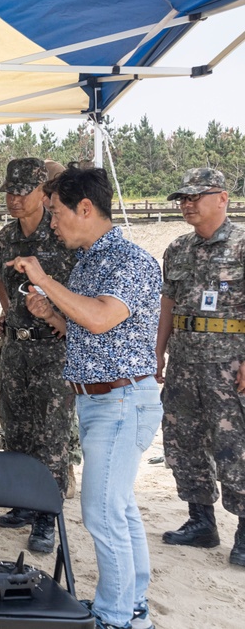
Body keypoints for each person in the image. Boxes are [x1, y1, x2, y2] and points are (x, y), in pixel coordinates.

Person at [9, 164, 162, 629]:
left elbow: (99, 318)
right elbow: (87, 331)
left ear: (87, 208)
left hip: (121, 401)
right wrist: (51, 313)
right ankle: (133, 606)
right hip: (99, 400)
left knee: (100, 513)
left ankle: (115, 617)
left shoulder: (130, 261)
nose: (52, 222)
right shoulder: (91, 259)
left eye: (56, 213)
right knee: (119, 508)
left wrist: (46, 280)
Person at [155, 167, 245, 568]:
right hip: (185, 361)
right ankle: (201, 522)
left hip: (230, 364)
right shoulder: (177, 249)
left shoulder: (242, 245)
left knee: (235, 447)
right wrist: (158, 351)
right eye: (183, 198)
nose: (187, 204)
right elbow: (168, 306)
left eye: (196, 196)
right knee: (182, 438)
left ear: (222, 198)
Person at [0, 158, 77, 553]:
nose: (14, 199)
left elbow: (81, 296)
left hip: (52, 349)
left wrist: (57, 317)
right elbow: (0, 280)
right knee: (17, 429)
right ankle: (24, 503)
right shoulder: (6, 237)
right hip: (16, 348)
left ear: (43, 193)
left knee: (52, 436)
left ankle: (47, 517)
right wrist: (8, 314)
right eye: (10, 191)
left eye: (22, 192)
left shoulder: (63, 236)